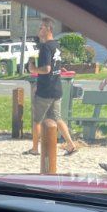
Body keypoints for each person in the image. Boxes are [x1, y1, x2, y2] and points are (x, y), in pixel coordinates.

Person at [25, 17, 77, 157]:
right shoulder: (56, 45)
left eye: (41, 27)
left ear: (48, 29)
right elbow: (55, 67)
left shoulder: (46, 47)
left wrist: (33, 68)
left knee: (37, 120)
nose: (39, 30)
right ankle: (71, 145)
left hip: (45, 90)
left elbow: (47, 69)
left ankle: (35, 149)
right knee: (58, 118)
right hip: (56, 88)